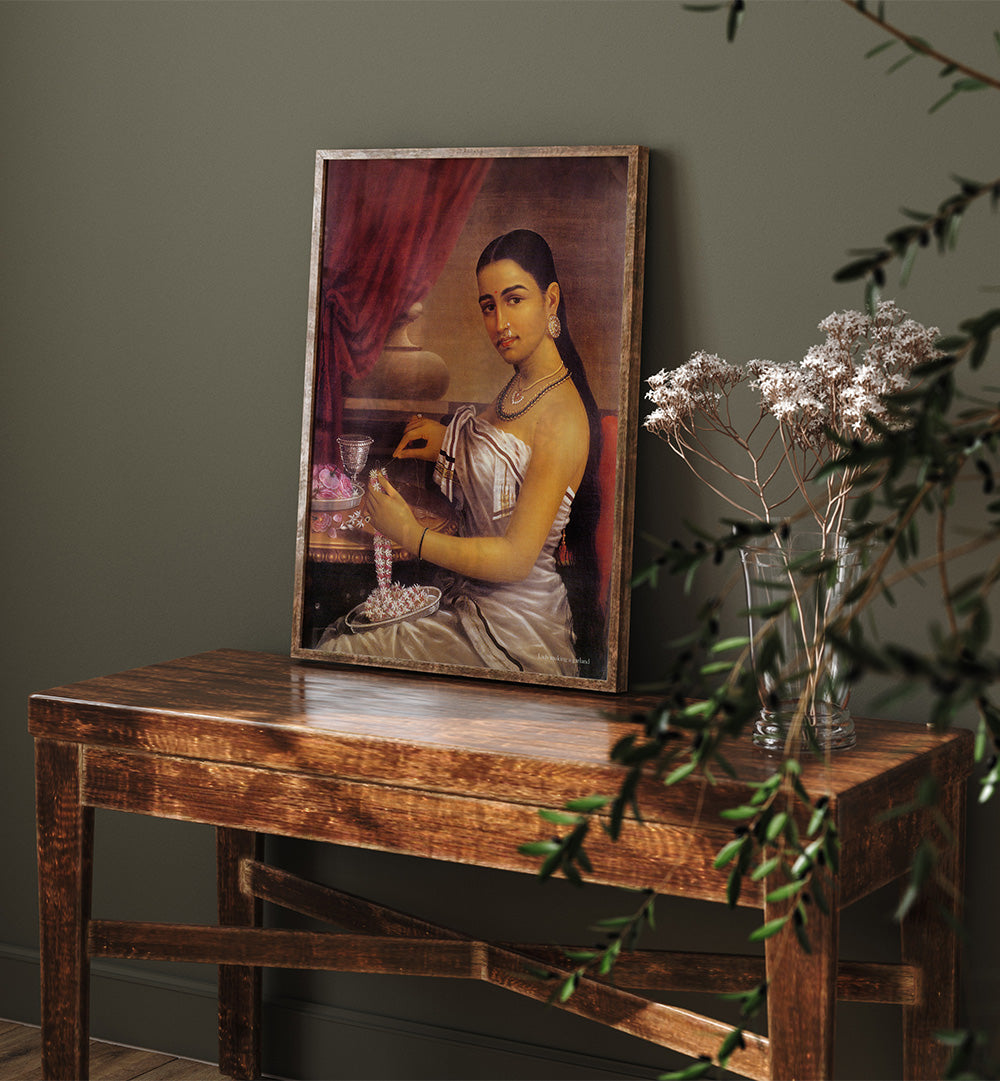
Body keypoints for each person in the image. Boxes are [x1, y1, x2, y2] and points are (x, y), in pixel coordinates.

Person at [317, 229, 604, 678]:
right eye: (488, 306)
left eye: (515, 299)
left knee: (342, 658)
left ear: (550, 301)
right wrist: (445, 440)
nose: (500, 324)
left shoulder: (563, 416)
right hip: (465, 601)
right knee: (343, 640)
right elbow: (501, 455)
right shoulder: (521, 385)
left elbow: (515, 558)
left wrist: (412, 535)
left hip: (516, 628)